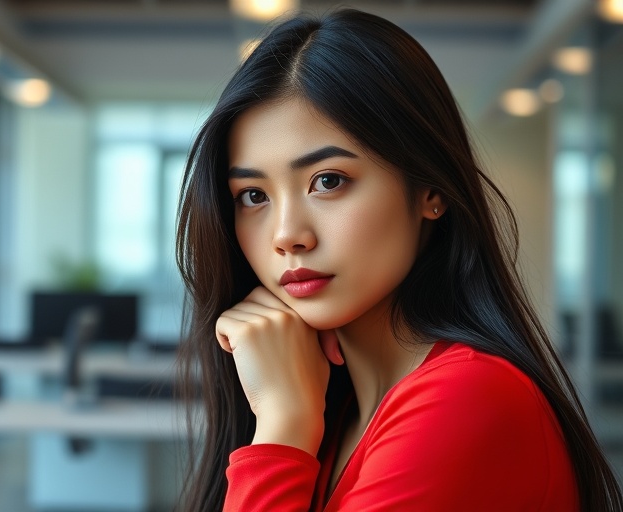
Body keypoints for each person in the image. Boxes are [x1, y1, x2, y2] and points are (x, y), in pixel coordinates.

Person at [174, 8, 623, 512]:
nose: (286, 236)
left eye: (328, 181)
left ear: (430, 188)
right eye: (253, 195)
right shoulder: (342, 410)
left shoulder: (467, 399)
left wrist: (283, 424)